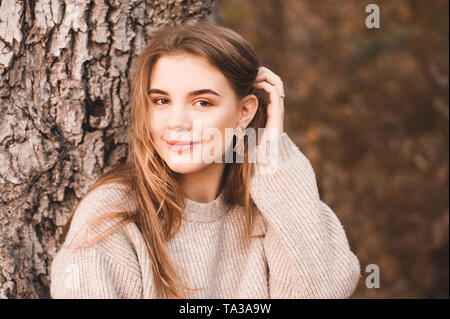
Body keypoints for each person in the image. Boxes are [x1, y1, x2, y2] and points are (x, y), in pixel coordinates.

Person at [50, 22, 361, 299]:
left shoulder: (271, 208)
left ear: (244, 112)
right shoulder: (112, 217)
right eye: (161, 101)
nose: (177, 122)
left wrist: (273, 152)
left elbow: (323, 290)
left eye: (202, 102)